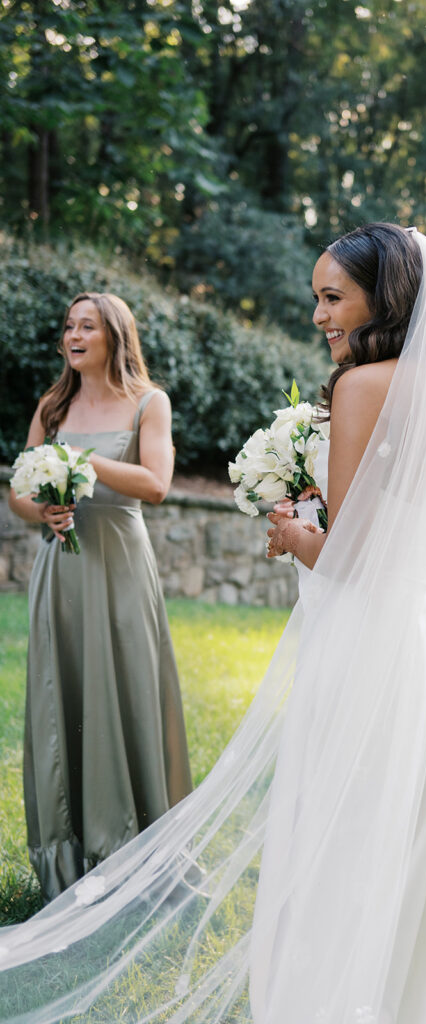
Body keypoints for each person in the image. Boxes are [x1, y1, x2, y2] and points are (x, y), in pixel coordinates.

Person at [0, 229, 426, 1024]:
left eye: (333, 297)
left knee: (347, 824)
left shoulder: (360, 387)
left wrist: (293, 531)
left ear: (383, 297)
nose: (320, 314)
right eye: (317, 297)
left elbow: (348, 557)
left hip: (374, 635)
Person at [8, 292, 193, 902]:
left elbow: (156, 482)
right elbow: (18, 491)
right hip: (61, 571)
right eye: (68, 326)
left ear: (115, 335)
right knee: (64, 698)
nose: (74, 335)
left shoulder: (149, 402)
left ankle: (137, 851)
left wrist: (81, 461)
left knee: (130, 694)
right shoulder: (52, 405)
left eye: (88, 326)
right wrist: (46, 506)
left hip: (120, 568)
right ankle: (70, 863)